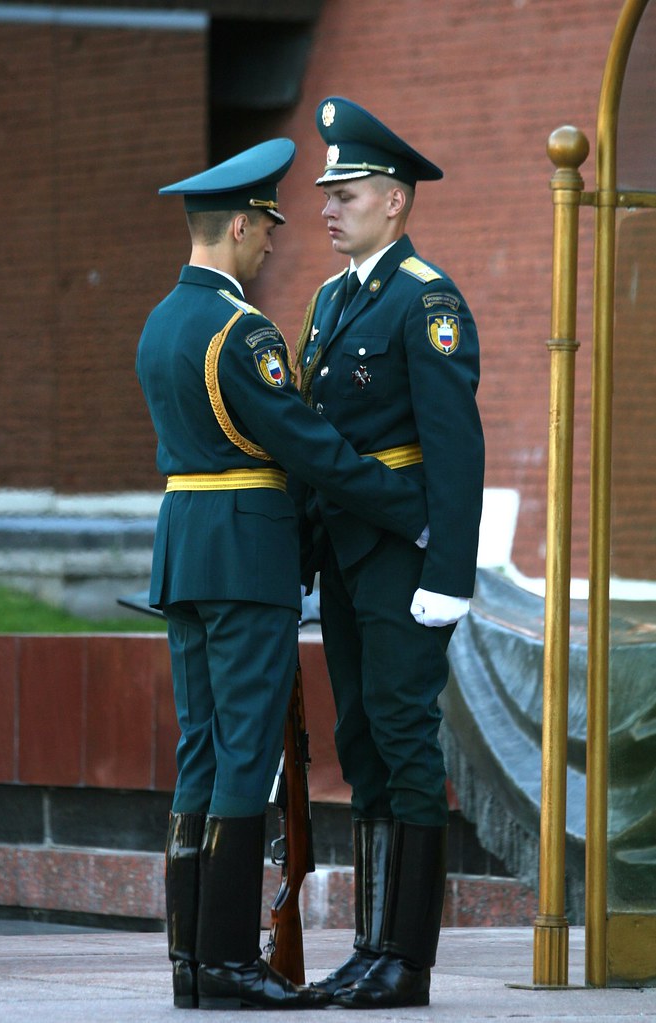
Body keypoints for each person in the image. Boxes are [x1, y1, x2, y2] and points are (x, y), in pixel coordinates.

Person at [135, 138, 432, 1011]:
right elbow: (307, 444)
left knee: (198, 749)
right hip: (245, 551)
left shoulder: (160, 321)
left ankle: (190, 961)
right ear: (235, 225)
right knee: (245, 756)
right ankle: (229, 960)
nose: (272, 240)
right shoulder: (241, 330)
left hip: (183, 544)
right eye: (264, 225)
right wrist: (403, 502)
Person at [295, 98, 485, 1009]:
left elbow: (455, 445)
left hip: (404, 553)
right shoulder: (334, 298)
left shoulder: (426, 298)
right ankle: (370, 946)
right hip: (345, 551)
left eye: (351, 191)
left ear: (396, 203)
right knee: (361, 739)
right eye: (328, 191)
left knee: (405, 737)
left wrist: (449, 574)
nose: (329, 206)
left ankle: (406, 958)